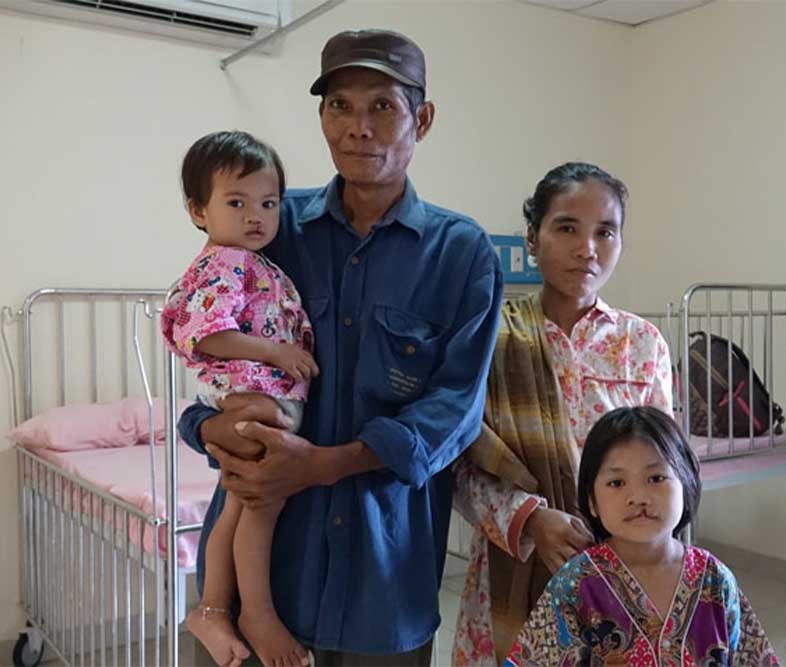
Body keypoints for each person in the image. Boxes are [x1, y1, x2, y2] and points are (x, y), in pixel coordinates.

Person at [177, 29, 503, 667]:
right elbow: (204, 343)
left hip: (382, 578)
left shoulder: (460, 254)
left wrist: (322, 464)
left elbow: (454, 411)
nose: (359, 127)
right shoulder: (267, 226)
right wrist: (207, 426)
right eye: (339, 106)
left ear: (423, 118)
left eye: (382, 105)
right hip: (261, 567)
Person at [452, 162, 674, 665]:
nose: (587, 248)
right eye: (567, 227)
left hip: (624, 572)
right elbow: (460, 463)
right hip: (515, 572)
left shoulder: (641, 344)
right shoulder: (489, 339)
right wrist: (530, 521)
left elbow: (669, 470)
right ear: (533, 238)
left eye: (605, 232)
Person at [162, 131, 318, 667]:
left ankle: (210, 607)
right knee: (260, 501)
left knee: (238, 500)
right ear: (197, 210)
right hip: (253, 392)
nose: (256, 215)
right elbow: (208, 334)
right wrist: (275, 351)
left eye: (268, 203)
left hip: (261, 390)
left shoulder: (247, 260)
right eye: (237, 202)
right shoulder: (223, 263)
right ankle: (256, 611)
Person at [505, 406, 779, 666]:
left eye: (656, 478)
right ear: (592, 502)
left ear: (686, 483)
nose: (638, 498)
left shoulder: (715, 580)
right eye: (616, 483)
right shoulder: (575, 585)